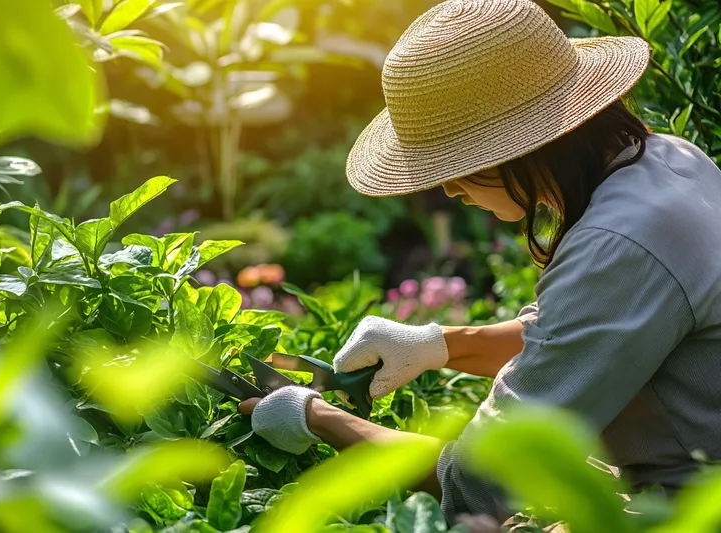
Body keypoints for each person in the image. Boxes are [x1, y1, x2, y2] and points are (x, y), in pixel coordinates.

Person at [238, 0, 721, 524]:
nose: (449, 188)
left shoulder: (618, 245)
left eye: (460, 165)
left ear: (520, 149)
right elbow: (584, 334)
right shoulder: (669, 160)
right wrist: (438, 344)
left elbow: (478, 481)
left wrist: (316, 416)